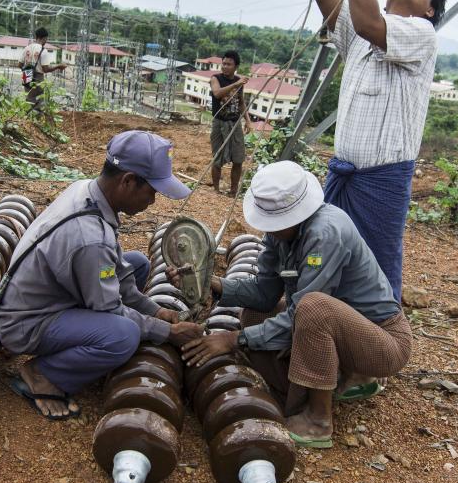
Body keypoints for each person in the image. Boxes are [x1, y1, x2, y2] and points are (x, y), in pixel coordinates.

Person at [175, 161, 411, 448]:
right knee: (254, 314)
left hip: (382, 343)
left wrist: (233, 339)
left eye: (275, 222)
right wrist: (215, 284)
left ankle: (318, 419)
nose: (270, 229)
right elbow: (264, 293)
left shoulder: (325, 233)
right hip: (345, 332)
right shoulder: (281, 235)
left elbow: (305, 312)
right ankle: (344, 376)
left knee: (312, 308)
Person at [0, 130, 203, 419]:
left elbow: (116, 271)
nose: (153, 201)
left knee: (137, 263)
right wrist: (166, 332)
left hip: (47, 295)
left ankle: (72, 344)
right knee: (123, 335)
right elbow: (108, 307)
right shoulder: (90, 238)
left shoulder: (87, 191)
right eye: (152, 191)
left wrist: (155, 311)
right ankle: (42, 374)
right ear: (128, 181)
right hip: (29, 321)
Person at [313, 0, 447, 301]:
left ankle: (376, 344)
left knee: (373, 270)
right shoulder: (357, 27)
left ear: (430, 11)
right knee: (326, 258)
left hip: (381, 180)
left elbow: (372, 22)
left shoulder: (421, 34)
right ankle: (322, 326)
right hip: (344, 173)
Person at [209, 50, 253, 197]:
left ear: (236, 67)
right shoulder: (215, 78)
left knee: (238, 159)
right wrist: (236, 84)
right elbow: (217, 93)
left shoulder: (239, 82)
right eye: (224, 63)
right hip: (219, 123)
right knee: (217, 158)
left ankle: (233, 191)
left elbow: (241, 102)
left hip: (235, 124)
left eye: (229, 64)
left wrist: (247, 120)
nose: (225, 66)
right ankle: (216, 190)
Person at [20, 27, 67, 112]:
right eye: (46, 39)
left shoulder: (27, 48)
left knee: (29, 100)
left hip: (26, 75)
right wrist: (58, 66)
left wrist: (28, 70)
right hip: (37, 77)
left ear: (36, 37)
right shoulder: (42, 50)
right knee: (40, 101)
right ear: (44, 38)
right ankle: (36, 120)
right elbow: (46, 69)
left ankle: (28, 120)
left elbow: (19, 64)